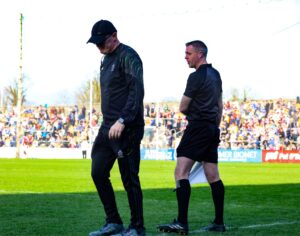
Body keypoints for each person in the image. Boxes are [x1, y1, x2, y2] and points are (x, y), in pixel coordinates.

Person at [157, 40, 225, 234]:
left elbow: (183, 107)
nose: (185, 57)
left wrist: (197, 119)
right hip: (212, 128)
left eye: (188, 53)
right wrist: (214, 127)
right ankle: (219, 222)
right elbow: (219, 105)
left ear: (200, 54)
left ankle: (181, 222)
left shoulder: (195, 77)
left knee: (181, 172)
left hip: (198, 127)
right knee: (213, 175)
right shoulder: (216, 74)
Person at [87, 20, 146, 236]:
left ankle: (137, 227)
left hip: (126, 127)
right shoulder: (105, 60)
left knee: (129, 178)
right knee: (98, 172)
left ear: (114, 35)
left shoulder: (128, 56)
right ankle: (114, 221)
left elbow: (136, 91)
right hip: (107, 128)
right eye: (96, 43)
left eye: (101, 42)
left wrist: (123, 120)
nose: (99, 47)